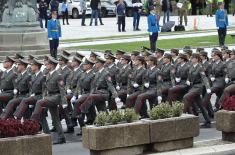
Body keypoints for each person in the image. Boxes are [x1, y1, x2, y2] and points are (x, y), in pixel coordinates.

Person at [31, 56, 66, 144]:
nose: (46, 65)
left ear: (53, 65)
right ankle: (62, 137)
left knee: (39, 102)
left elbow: (62, 89)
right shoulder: (48, 74)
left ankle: (33, 121)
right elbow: (45, 88)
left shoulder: (58, 75)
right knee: (55, 119)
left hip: (56, 97)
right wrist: (44, 96)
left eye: (48, 64)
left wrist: (64, 102)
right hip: (49, 97)